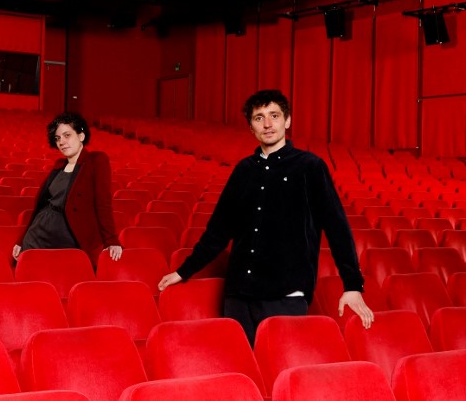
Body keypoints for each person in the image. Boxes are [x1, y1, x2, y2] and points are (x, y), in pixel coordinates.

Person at [158, 89, 373, 345]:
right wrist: (184, 271)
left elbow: (337, 228)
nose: (268, 124)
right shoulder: (243, 170)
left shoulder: (310, 166)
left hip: (285, 295)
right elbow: (218, 230)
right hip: (239, 295)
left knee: (281, 364)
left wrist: (352, 285)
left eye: (274, 115)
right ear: (251, 127)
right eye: (259, 118)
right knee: (240, 364)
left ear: (287, 121)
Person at [13, 112, 122, 266]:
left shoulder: (96, 161)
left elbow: (103, 203)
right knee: (31, 273)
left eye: (67, 135)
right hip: (38, 232)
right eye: (58, 138)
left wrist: (111, 240)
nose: (61, 142)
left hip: (69, 235)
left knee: (66, 275)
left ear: (81, 136)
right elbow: (40, 206)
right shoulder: (59, 166)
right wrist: (21, 240)